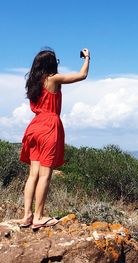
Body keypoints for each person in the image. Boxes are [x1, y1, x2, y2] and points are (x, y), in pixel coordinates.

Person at [15, 48, 90, 229]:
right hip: (49, 126)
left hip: (34, 127)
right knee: (45, 175)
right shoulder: (53, 79)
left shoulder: (33, 83)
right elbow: (82, 75)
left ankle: (27, 216)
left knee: (33, 174)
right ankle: (39, 217)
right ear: (52, 64)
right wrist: (87, 58)